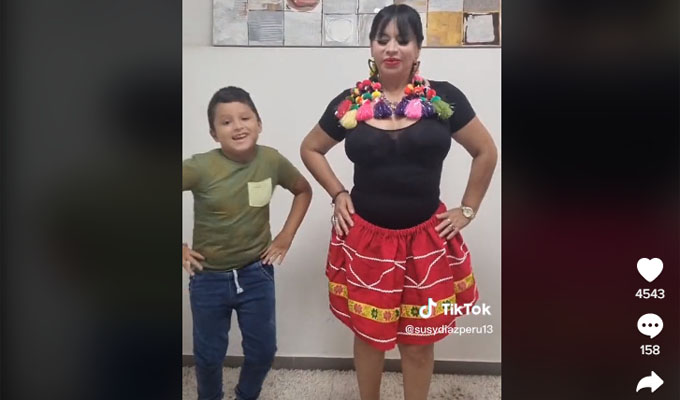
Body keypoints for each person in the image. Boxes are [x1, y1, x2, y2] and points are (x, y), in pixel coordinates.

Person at [299, 5, 497, 400]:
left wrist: (468, 209)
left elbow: (486, 151)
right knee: (369, 337)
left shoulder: (444, 98)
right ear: (372, 46)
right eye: (383, 39)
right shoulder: (351, 101)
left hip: (425, 241)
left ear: (418, 47)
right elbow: (311, 148)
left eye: (403, 40)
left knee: (418, 341)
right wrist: (338, 193)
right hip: (367, 242)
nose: (392, 48)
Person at [183, 86, 312, 400]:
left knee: (263, 350)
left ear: (259, 123)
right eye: (226, 122)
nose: (237, 126)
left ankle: (246, 395)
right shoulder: (201, 167)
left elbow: (303, 190)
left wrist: (285, 236)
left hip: (256, 272)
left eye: (245, 118)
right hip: (208, 278)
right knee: (209, 355)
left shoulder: (271, 160)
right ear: (214, 133)